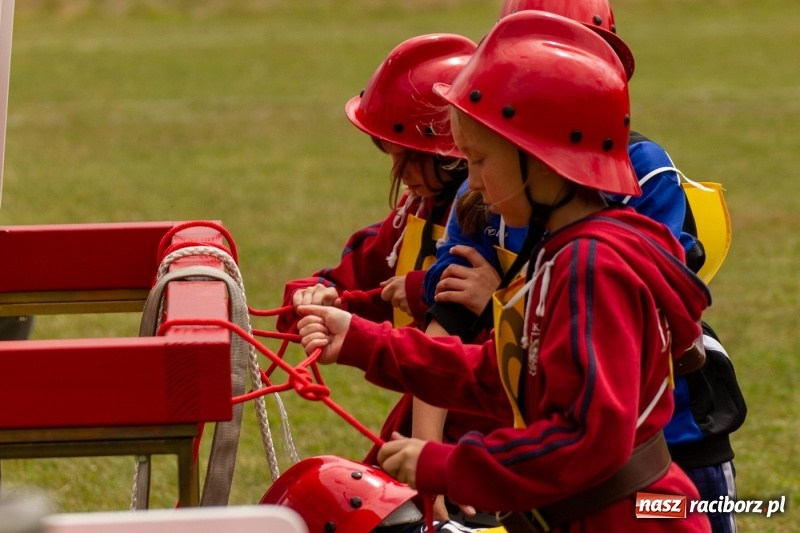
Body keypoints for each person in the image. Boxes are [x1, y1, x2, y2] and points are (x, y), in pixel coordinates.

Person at [296, 11, 712, 532]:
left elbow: (586, 438)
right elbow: (504, 375)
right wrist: (364, 341)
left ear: (537, 159)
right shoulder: (563, 255)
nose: (470, 185)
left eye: (478, 160)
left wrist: (449, 465)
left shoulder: (592, 268)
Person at [420, 2, 746, 532]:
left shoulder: (640, 174)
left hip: (676, 443)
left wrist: (505, 298)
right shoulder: (486, 184)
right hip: (557, 459)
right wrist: (429, 445)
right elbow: (451, 317)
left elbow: (650, 310)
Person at [275, 33, 476, 335]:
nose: (399, 172)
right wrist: (311, 295)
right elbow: (358, 276)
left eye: (410, 158)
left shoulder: (491, 224)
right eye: (391, 155)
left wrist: (420, 290)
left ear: (448, 153)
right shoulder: (415, 211)